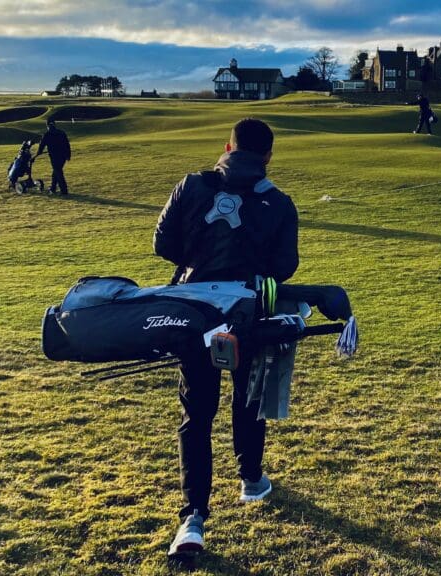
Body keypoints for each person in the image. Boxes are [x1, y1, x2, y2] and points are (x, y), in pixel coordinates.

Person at [153, 118, 299, 558]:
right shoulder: (279, 202)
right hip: (248, 314)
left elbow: (163, 245)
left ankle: (193, 519)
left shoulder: (190, 185)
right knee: (247, 398)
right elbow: (285, 267)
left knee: (196, 412)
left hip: (193, 313)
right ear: (268, 156)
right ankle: (250, 478)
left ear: (228, 147)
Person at [35, 118, 71, 195]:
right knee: (56, 171)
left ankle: (64, 190)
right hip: (63, 156)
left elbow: (42, 145)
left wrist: (38, 153)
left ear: (47, 126)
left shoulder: (47, 134)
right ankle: (53, 188)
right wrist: (68, 155)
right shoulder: (61, 132)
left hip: (54, 156)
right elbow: (67, 144)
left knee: (58, 172)